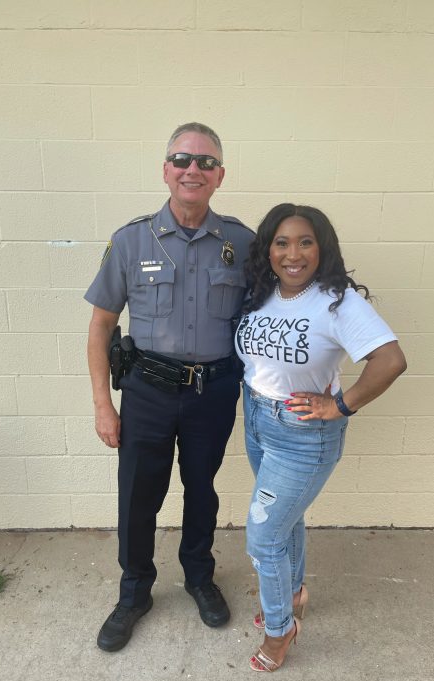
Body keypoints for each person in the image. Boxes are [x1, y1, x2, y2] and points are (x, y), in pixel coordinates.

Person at [85, 123, 254, 652]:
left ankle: (199, 578)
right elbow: (101, 326)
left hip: (213, 391)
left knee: (201, 490)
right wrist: (102, 405)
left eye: (206, 162)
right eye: (182, 159)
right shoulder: (131, 240)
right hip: (148, 391)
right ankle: (135, 590)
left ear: (220, 175)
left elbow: (263, 320)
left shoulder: (242, 243)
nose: (193, 169)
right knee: (138, 497)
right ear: (166, 170)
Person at [235, 203, 407, 672]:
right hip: (257, 418)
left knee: (263, 537)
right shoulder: (263, 292)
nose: (294, 254)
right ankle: (293, 596)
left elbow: (390, 360)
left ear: (322, 247)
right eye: (282, 242)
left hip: (302, 435)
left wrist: (340, 403)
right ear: (268, 249)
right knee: (285, 521)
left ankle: (280, 630)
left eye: (305, 241)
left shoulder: (338, 301)